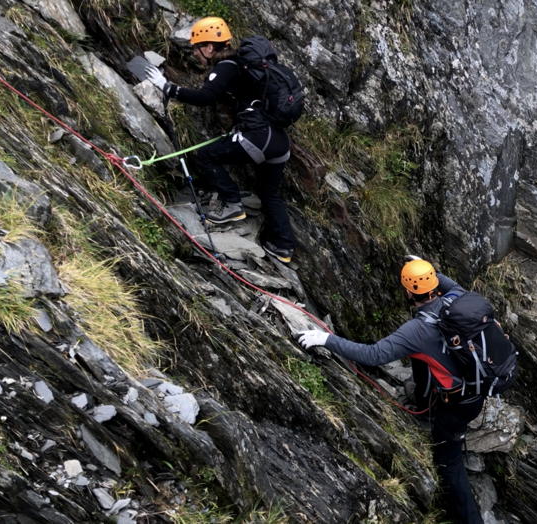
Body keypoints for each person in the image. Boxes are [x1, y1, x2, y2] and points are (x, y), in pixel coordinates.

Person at [296, 258, 485, 524]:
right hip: (477, 386)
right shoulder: (458, 298)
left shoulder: (416, 330)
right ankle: (424, 399)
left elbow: (373, 355)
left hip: (456, 406)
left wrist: (326, 339)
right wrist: (426, 269)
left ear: (409, 292)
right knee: (423, 357)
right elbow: (448, 283)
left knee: (449, 463)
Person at [144, 17, 296, 263]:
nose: (195, 53)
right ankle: (283, 247)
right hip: (278, 141)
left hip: (256, 136)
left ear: (209, 47)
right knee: (271, 194)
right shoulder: (246, 66)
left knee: (205, 156)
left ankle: (232, 204)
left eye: (196, 47)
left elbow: (206, 96)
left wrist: (168, 88)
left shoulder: (226, 66)